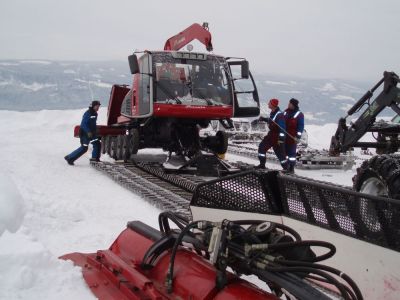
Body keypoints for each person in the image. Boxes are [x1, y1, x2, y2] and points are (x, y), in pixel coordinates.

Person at [64, 100, 101, 165]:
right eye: (96, 106)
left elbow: (92, 124)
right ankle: (69, 158)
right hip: (85, 133)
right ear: (93, 106)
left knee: (97, 144)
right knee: (84, 148)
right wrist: (88, 132)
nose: (98, 107)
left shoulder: (95, 113)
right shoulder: (88, 113)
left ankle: (95, 159)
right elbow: (83, 124)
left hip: (92, 133)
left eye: (98, 106)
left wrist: (95, 131)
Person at [257, 98, 287, 170]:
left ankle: (286, 168)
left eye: (269, 103)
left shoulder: (279, 115)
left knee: (279, 154)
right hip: (272, 135)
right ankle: (262, 165)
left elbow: (282, 129)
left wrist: (281, 139)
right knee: (263, 148)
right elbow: (271, 121)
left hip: (276, 137)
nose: (268, 104)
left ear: (273, 105)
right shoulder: (274, 113)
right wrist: (264, 119)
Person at [284, 98, 304, 173]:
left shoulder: (299, 114)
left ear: (293, 105)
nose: (288, 104)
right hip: (285, 136)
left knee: (292, 153)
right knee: (285, 152)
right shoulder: (285, 112)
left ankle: (291, 168)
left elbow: (300, 126)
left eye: (290, 103)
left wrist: (297, 137)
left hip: (292, 137)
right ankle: (286, 166)